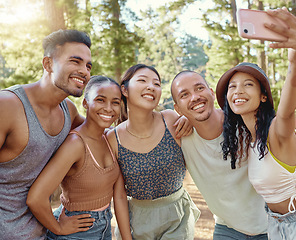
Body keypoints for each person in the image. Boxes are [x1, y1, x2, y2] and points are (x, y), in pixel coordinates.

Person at [170, 10, 296, 240]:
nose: (195, 97)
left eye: (199, 89)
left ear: (210, 93)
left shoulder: (246, 124)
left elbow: (294, 141)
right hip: (227, 229)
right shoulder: (180, 132)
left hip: (271, 227)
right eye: (184, 94)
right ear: (177, 107)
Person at [215, 8, 296, 240]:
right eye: (232, 87)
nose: (238, 91)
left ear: (263, 96)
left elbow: (289, 106)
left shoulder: (277, 129)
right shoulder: (250, 139)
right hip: (278, 229)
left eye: (247, 85)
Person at [0, 29, 92, 239]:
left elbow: (100, 135)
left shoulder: (68, 110)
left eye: (88, 66)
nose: (84, 71)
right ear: (48, 64)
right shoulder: (7, 106)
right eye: (75, 61)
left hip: (39, 232)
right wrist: (58, 228)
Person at [27, 76, 132, 239]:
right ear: (85, 103)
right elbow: (35, 198)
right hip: (75, 232)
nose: (108, 108)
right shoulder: (75, 144)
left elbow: (119, 194)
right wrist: (58, 228)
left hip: (104, 227)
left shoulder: (110, 137)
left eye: (115, 102)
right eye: (100, 100)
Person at [106, 64, 200, 240]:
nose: (151, 86)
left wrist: (190, 119)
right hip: (137, 222)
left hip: (177, 219)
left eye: (157, 84)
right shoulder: (113, 139)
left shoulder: (171, 120)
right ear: (124, 90)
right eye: (142, 80)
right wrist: (127, 237)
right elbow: (119, 195)